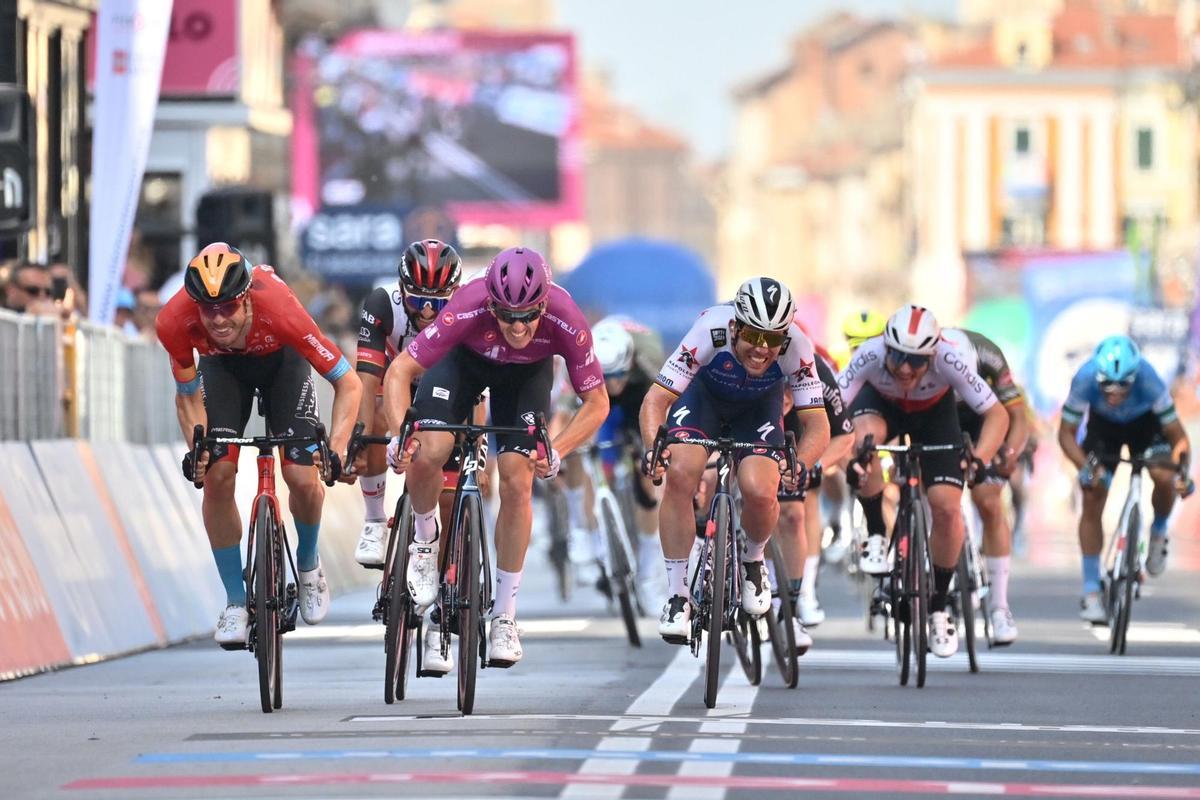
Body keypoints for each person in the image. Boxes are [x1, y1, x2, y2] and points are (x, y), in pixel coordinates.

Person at [384, 247, 608, 668]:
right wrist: (401, 433)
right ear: (490, 303)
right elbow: (400, 372)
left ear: (545, 303)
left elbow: (596, 402)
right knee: (430, 447)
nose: (518, 326)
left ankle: (504, 615)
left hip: (524, 380)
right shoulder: (467, 303)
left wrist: (558, 449)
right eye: (507, 315)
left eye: (529, 316)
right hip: (462, 365)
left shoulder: (567, 317)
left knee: (516, 479)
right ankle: (426, 541)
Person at [156, 242, 363, 646]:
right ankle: (236, 601)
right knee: (216, 476)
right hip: (222, 369)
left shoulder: (282, 311)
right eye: (207, 308)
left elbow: (348, 382)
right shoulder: (173, 322)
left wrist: (336, 447)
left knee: (301, 476)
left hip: (283, 362)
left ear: (247, 298)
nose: (217, 319)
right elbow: (187, 396)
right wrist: (197, 451)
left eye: (228, 307)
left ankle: (307, 563)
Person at [640, 277, 830, 644]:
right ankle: (679, 597)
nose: (762, 349)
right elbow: (656, 400)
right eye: (754, 336)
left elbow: (817, 423)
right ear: (734, 326)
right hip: (703, 400)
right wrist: (653, 448)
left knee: (761, 490)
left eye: (772, 339)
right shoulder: (708, 329)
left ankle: (753, 562)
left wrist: (801, 462)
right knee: (682, 473)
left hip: (758, 407)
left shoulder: (798, 347)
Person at [838, 304, 1007, 658]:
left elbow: (996, 414)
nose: (903, 368)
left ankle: (940, 605)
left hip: (934, 416)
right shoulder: (869, 355)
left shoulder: (949, 357)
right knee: (865, 443)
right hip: (880, 407)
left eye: (916, 360)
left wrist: (980, 457)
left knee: (946, 508)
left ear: (932, 354)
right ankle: (874, 534)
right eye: (897, 356)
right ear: (885, 346)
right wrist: (848, 459)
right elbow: (832, 410)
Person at [1057, 335, 1193, 623]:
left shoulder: (1149, 379)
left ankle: (1157, 532)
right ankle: (1092, 591)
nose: (1115, 393)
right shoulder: (1084, 378)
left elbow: (1179, 438)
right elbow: (1065, 433)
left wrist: (1182, 472)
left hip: (1145, 426)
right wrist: (1085, 466)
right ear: (1097, 377)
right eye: (1106, 385)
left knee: (1162, 474)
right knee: (1093, 493)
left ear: (1135, 377)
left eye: (1123, 386)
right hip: (1103, 429)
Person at [351, 239, 464, 567]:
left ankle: (445, 581)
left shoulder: (465, 310)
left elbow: (475, 387)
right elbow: (367, 378)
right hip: (392, 379)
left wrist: (479, 452)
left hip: (443, 387)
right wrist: (359, 434)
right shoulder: (383, 302)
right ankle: (374, 520)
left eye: (437, 303)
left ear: (453, 296)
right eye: (417, 300)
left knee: (448, 497)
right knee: (374, 418)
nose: (427, 312)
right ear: (403, 290)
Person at [557, 315, 666, 596]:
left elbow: (665, 412)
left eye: (618, 376)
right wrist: (555, 454)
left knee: (649, 472)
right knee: (575, 446)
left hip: (639, 398)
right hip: (593, 397)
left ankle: (648, 567)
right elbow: (562, 418)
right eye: (608, 377)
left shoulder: (648, 359)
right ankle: (583, 529)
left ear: (629, 364)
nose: (613, 383)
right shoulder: (579, 362)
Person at [940, 328, 1029, 645]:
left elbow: (1017, 416)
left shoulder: (989, 354)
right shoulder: (926, 357)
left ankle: (999, 606)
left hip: (984, 418)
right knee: (932, 496)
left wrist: (1010, 454)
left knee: (989, 502)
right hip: (938, 416)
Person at [777, 331, 855, 632]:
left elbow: (843, 435)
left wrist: (816, 466)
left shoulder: (816, 370)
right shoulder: (755, 364)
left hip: (804, 422)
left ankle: (804, 592)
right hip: (755, 412)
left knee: (802, 501)